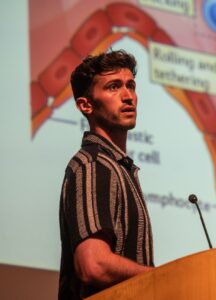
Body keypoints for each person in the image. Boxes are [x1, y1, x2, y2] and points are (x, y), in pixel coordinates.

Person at [59, 50, 154, 300]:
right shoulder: (93, 164)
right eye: (114, 87)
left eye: (130, 86)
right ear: (85, 105)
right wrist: (161, 277)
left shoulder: (118, 167)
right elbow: (93, 264)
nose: (128, 96)